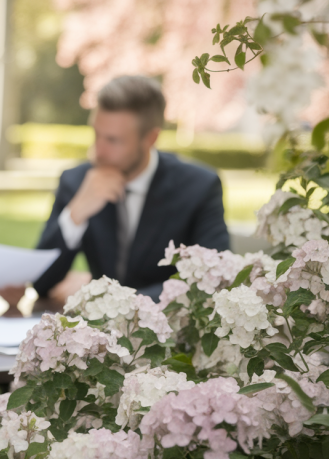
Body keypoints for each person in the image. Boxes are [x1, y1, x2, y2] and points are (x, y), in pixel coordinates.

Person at [30, 75, 229, 303]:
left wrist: (109, 299)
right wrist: (75, 215)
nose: (97, 151)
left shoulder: (199, 187)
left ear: (151, 138)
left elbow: (213, 280)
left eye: (113, 140)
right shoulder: (76, 181)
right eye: (96, 134)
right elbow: (41, 283)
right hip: (95, 335)